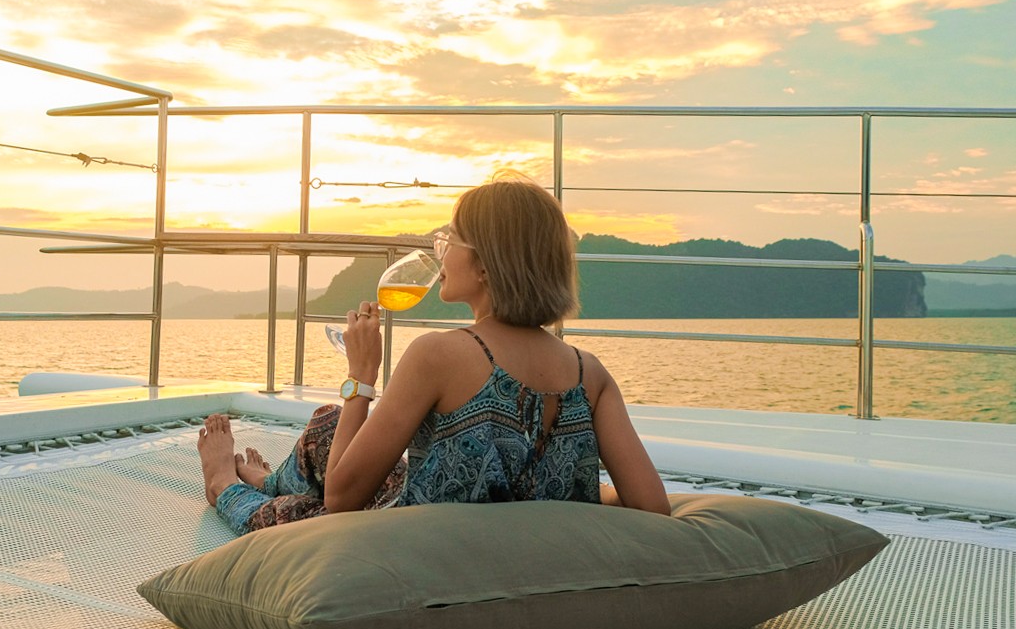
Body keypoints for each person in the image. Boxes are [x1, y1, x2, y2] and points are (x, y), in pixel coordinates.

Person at [197, 176, 672, 534]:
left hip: (408, 540)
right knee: (326, 423)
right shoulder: (592, 373)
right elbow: (652, 507)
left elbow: (343, 499)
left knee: (308, 512)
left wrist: (361, 377)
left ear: (485, 264)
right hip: (474, 518)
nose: (439, 253)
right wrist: (570, 495)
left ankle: (226, 483)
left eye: (449, 240)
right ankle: (271, 478)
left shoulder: (438, 355)